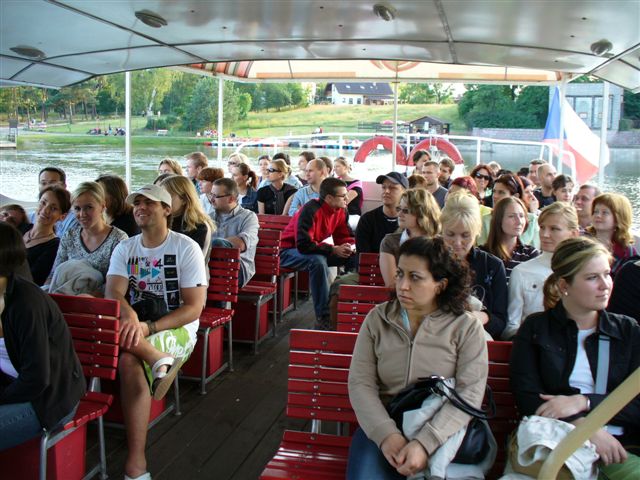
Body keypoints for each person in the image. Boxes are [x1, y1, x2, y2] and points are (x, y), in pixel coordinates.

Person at [347, 236, 488, 479]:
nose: (402, 285)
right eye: (400, 274)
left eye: (415, 277)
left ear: (440, 285)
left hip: (443, 429)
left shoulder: (465, 327)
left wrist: (425, 442)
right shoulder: (378, 320)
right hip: (384, 423)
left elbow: (469, 393)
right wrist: (386, 434)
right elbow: (361, 383)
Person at [510, 237, 640, 477]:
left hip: (618, 450)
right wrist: (586, 428)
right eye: (592, 277)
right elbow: (527, 396)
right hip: (553, 441)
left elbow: (637, 402)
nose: (605, 285)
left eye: (607, 274)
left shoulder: (627, 331)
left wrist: (584, 401)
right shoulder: (536, 328)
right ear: (564, 285)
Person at [105, 184, 207, 480]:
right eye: (136, 203)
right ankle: (156, 358)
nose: (140, 207)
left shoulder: (185, 247)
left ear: (166, 209)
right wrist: (130, 315)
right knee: (125, 349)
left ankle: (136, 462)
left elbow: (194, 308)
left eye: (149, 202)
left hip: (177, 328)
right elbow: (114, 292)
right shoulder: (126, 248)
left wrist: (148, 327)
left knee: (128, 358)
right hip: (136, 324)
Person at [0, 222, 85, 453]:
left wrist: (2, 397)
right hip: (11, 386)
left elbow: (37, 379)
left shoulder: (26, 304)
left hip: (48, 399)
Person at [280, 178, 356, 330]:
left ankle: (349, 308)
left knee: (353, 258)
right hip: (287, 252)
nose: (347, 198)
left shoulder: (341, 210)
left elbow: (344, 236)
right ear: (329, 198)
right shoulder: (310, 209)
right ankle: (324, 317)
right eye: (343, 196)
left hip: (310, 251)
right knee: (318, 262)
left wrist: (350, 247)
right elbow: (303, 244)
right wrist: (333, 249)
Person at [505, 202, 580, 339]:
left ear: (573, 234)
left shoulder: (583, 272)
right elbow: (511, 326)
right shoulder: (522, 272)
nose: (545, 234)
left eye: (554, 229)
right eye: (542, 227)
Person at [440, 192, 508, 339]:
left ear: (477, 232)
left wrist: (480, 316)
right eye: (450, 234)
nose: (457, 243)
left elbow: (500, 321)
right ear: (441, 229)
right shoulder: (430, 261)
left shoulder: (492, 266)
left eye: (465, 235)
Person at [45, 182, 128, 294]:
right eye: (77, 208)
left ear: (102, 207)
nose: (82, 214)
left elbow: (116, 285)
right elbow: (54, 274)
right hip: (64, 296)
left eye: (89, 207)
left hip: (100, 300)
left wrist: (83, 298)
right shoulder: (70, 236)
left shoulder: (118, 239)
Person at [379, 189, 441, 287]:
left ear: (422, 213)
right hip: (401, 295)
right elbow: (392, 284)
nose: (399, 214)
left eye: (406, 210)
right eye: (399, 209)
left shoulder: (438, 243)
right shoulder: (390, 242)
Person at [209, 178, 259, 288]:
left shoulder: (248, 217)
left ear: (231, 198)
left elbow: (242, 243)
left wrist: (215, 244)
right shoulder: (209, 217)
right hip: (212, 266)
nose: (211, 199)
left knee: (219, 246)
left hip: (239, 268)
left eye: (215, 196)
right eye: (211, 195)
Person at [481, 196, 540, 281]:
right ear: (499, 220)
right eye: (511, 216)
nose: (519, 222)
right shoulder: (482, 255)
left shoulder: (531, 254)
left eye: (522, 216)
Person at [23, 186, 71, 286]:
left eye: (53, 208)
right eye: (43, 203)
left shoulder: (54, 246)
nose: (45, 210)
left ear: (62, 216)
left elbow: (34, 280)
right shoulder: (21, 228)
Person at [478, 173, 540, 249]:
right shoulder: (486, 220)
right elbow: (482, 249)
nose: (495, 196)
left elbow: (536, 250)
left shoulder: (532, 220)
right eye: (494, 191)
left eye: (501, 192)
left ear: (515, 196)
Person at [159, 175, 215, 257]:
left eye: (168, 197)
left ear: (184, 199)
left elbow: (192, 260)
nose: (162, 201)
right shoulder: (162, 221)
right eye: (161, 197)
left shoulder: (199, 226)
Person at [587, 193, 638, 278]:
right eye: (595, 211)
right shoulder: (581, 243)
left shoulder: (628, 252)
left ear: (619, 219)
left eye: (605, 213)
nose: (598, 215)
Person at [30, 167, 78, 237]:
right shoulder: (30, 217)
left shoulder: (73, 220)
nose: (47, 187)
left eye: (52, 183)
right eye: (43, 183)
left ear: (64, 186)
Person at [334, 157, 363, 225]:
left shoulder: (356, 183)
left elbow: (344, 201)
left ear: (345, 167)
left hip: (352, 214)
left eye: (337, 166)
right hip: (337, 213)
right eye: (334, 167)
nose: (334, 169)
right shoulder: (335, 181)